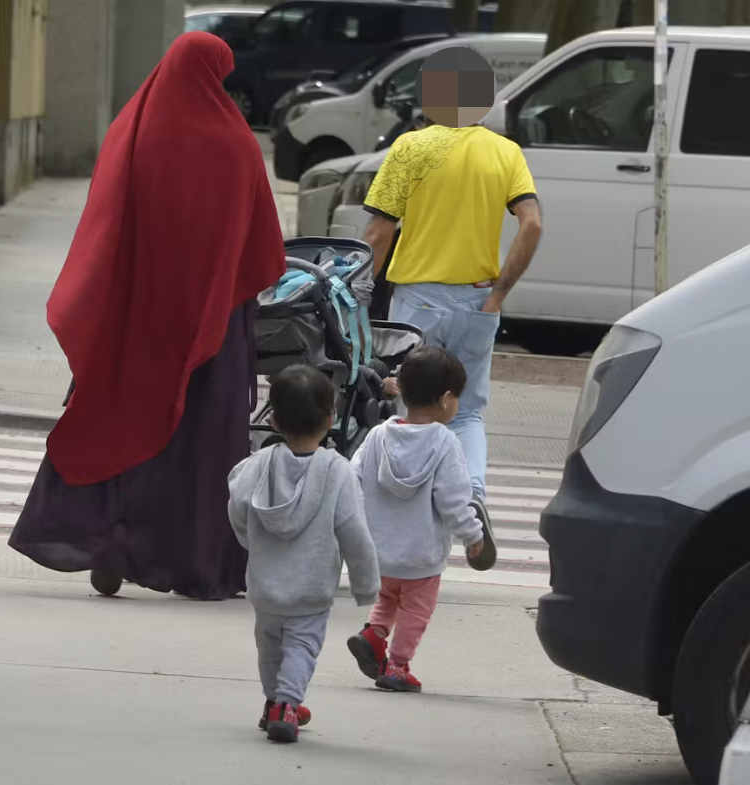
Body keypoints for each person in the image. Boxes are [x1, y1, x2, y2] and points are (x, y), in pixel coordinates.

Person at [8, 31, 286, 600]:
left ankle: (105, 544)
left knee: (117, 415)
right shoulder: (236, 144)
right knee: (201, 438)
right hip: (209, 319)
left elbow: (103, 223)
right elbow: (261, 246)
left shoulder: (132, 130)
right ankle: (189, 561)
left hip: (133, 310)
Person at [360, 47, 544, 522]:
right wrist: (499, 294)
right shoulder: (506, 153)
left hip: (416, 302)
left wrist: (360, 298)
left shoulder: (409, 148)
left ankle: (400, 503)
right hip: (477, 301)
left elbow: (379, 233)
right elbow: (532, 224)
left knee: (400, 399)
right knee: (464, 412)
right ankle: (473, 496)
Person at [228, 365, 381, 743]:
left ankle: (274, 701)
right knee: (301, 647)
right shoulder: (338, 473)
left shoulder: (256, 466)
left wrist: (251, 542)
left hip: (265, 585)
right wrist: (366, 586)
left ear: (275, 420)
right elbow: (355, 534)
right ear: (330, 419)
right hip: (311, 588)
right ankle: (287, 703)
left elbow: (237, 507)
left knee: (270, 648)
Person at [346, 346, 494, 693]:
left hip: (380, 552)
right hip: (422, 557)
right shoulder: (445, 444)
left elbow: (352, 481)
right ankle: (397, 665)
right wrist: (474, 536)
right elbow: (455, 501)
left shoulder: (378, 435)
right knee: (415, 611)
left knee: (388, 598)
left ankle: (374, 634)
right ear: (445, 399)